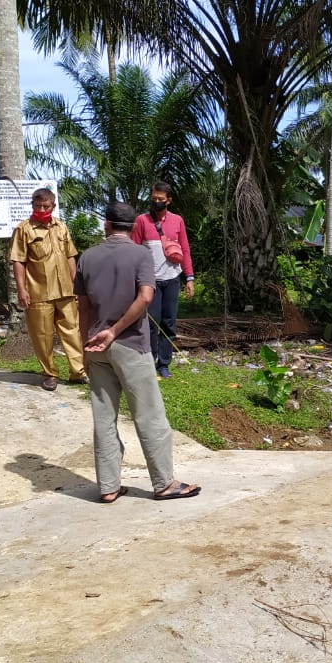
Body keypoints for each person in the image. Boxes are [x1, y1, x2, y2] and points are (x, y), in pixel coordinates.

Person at [75, 202, 201, 503]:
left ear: (106, 225)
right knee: (150, 415)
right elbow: (146, 297)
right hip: (130, 344)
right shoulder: (140, 254)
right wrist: (115, 331)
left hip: (95, 346)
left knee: (103, 417)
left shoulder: (87, 257)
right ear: (133, 227)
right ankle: (164, 483)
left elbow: (82, 306)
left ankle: (108, 487)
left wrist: (86, 344)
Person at [9, 187, 88, 392]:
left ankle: (78, 372)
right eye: (38, 205)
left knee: (72, 331)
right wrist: (22, 289)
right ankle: (50, 374)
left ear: (53, 206)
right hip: (39, 292)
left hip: (66, 291)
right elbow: (19, 261)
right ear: (32, 206)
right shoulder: (24, 229)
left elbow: (71, 257)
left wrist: (77, 285)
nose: (42, 209)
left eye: (46, 206)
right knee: (42, 335)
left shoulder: (61, 227)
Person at [130, 181, 194, 379]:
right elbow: (134, 249)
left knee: (169, 323)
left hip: (172, 279)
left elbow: (184, 249)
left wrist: (189, 277)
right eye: (154, 199)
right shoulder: (142, 220)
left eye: (161, 200)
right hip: (151, 281)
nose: (157, 202)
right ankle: (149, 361)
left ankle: (164, 364)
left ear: (169, 201)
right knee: (151, 323)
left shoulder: (177, 221)